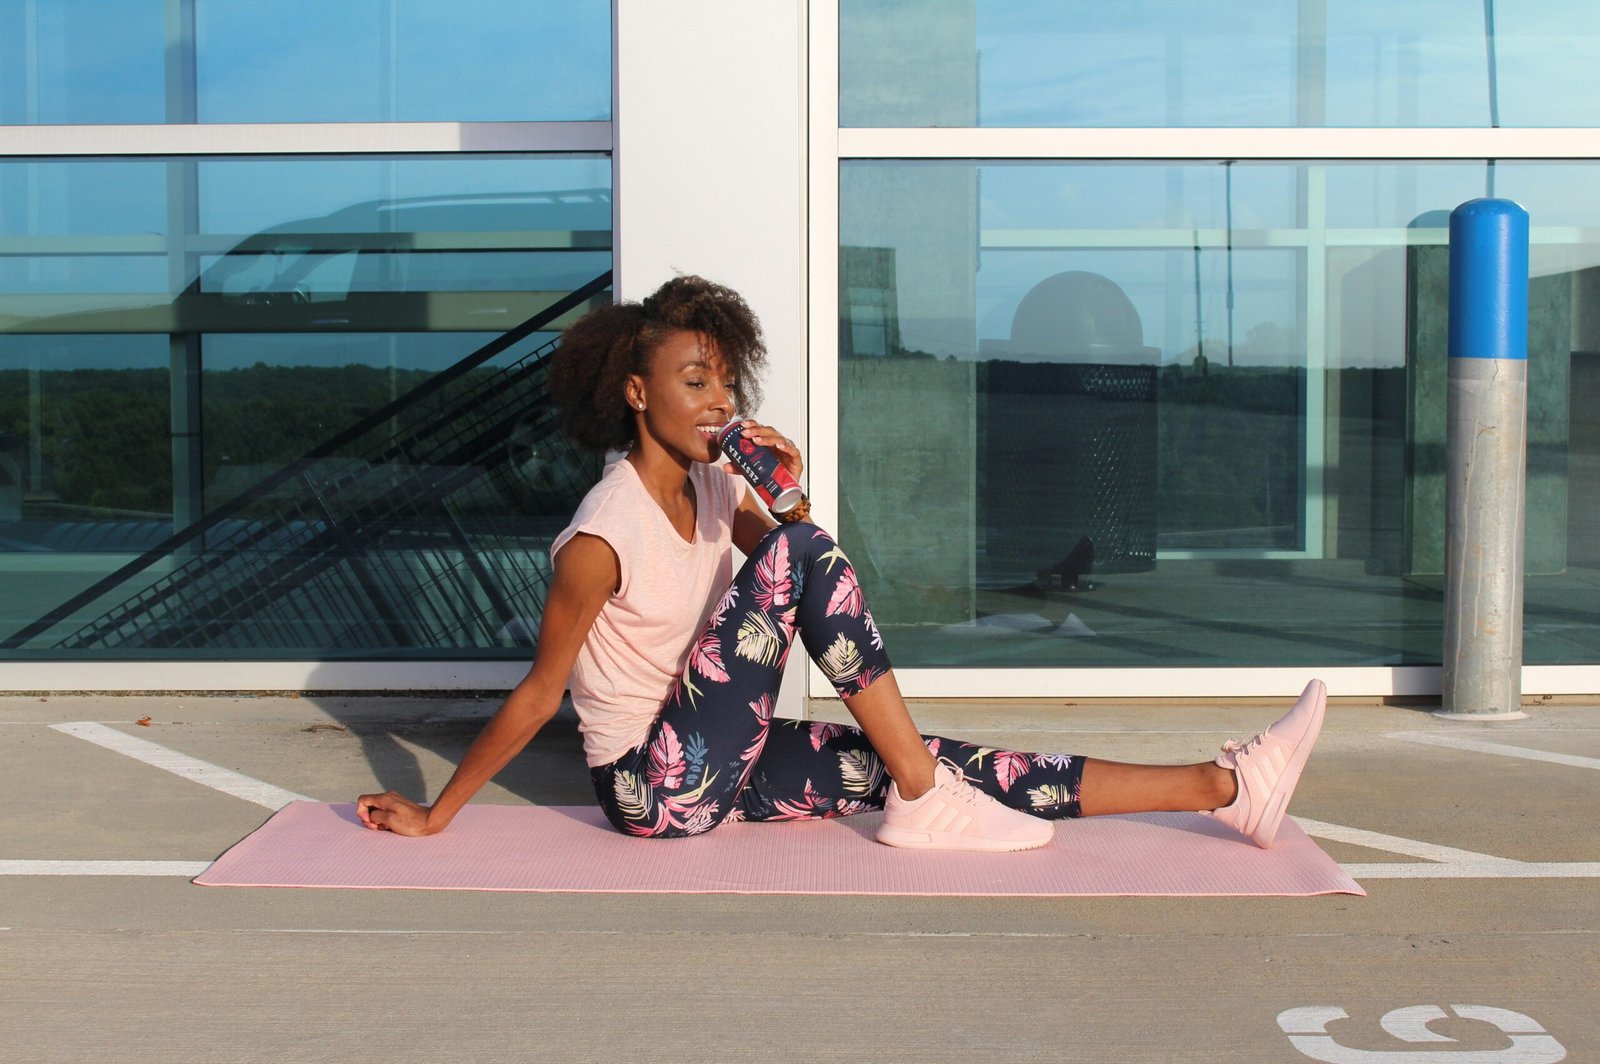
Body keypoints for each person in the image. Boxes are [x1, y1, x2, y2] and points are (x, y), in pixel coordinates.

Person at [356, 275, 1326, 853]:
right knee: (815, 579)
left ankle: (1225, 786)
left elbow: (807, 576)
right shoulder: (600, 536)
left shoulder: (709, 489)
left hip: (720, 759)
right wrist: (437, 815)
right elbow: (538, 695)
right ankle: (918, 793)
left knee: (955, 762)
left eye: (726, 382)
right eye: (695, 382)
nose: (716, 399)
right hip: (652, 791)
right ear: (637, 390)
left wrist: (777, 486)